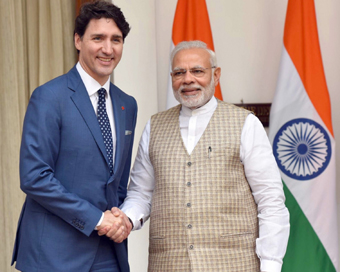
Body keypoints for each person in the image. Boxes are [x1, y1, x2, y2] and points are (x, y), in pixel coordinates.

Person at [119, 41, 290, 272]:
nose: (188, 79)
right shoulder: (154, 126)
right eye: (179, 73)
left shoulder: (246, 124)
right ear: (172, 78)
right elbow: (141, 192)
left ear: (216, 75)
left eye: (197, 71)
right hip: (168, 265)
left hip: (235, 264)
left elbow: (270, 200)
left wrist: (271, 264)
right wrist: (126, 219)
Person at [11, 1, 136, 271]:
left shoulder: (128, 104)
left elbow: (119, 182)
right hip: (54, 254)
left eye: (116, 39)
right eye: (98, 38)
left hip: (109, 253)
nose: (108, 48)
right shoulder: (49, 97)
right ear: (78, 40)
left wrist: (120, 220)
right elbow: (35, 177)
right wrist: (97, 219)